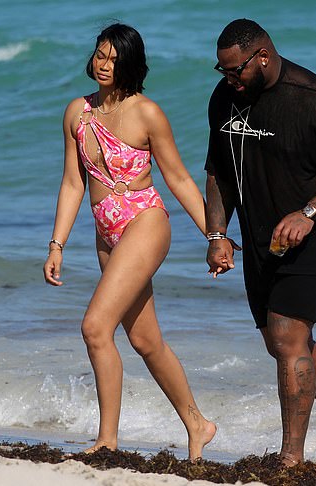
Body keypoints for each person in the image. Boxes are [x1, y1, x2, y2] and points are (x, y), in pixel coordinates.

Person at [204, 19, 316, 472]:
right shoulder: (225, 99)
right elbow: (219, 172)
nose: (229, 80)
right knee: (282, 345)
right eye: (222, 72)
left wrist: (309, 213)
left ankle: (291, 461)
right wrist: (217, 235)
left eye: (235, 70)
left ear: (262, 55)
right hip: (259, 236)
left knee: (287, 337)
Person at [43, 23, 216, 460]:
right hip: (106, 232)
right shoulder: (76, 113)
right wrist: (57, 244)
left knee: (95, 327)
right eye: (101, 55)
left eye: (115, 59)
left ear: (131, 65)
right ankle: (198, 424)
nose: (105, 65)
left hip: (145, 221)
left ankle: (107, 440)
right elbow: (72, 184)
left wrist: (216, 236)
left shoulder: (147, 113)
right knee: (145, 341)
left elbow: (177, 178)